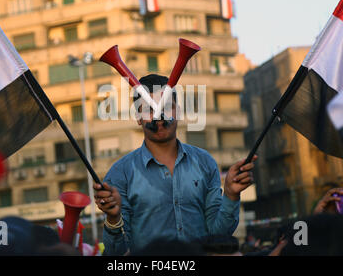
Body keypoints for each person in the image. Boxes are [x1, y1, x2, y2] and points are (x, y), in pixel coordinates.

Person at [93, 74, 256, 255]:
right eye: (149, 109)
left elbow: (217, 236)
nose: (159, 117)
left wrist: (231, 195)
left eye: (165, 107)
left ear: (178, 111)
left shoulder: (205, 162)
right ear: (138, 117)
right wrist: (113, 219)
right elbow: (117, 254)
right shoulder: (120, 174)